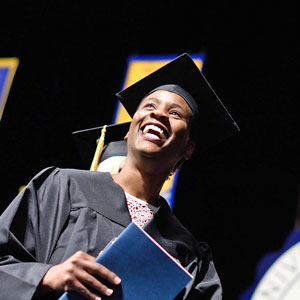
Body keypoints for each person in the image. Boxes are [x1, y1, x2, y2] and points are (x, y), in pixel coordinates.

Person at [0, 53, 239, 300]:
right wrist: (48, 276)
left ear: (189, 148)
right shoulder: (64, 188)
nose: (158, 114)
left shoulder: (188, 254)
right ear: (128, 131)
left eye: (175, 113)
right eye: (149, 106)